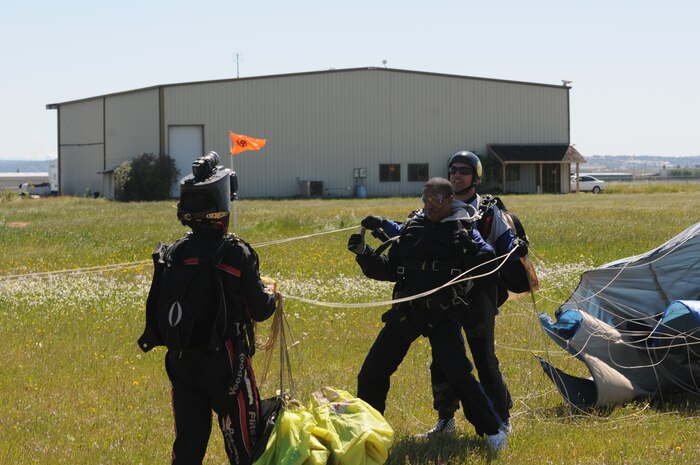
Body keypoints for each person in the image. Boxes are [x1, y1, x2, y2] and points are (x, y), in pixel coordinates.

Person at [361, 151, 525, 437]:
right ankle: (446, 420)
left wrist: (513, 246)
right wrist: (383, 224)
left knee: (483, 359)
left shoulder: (487, 211)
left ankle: (501, 419)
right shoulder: (436, 205)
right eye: (453, 170)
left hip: (477, 295)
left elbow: (505, 245)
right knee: (443, 360)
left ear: (475, 177)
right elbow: (410, 233)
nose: (457, 174)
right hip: (442, 297)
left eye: (464, 170)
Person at [138, 152, 278, 465]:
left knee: (187, 448)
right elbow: (260, 310)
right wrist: (273, 295)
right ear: (221, 208)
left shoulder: (173, 253)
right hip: (227, 365)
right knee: (246, 445)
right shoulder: (236, 253)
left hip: (182, 362)